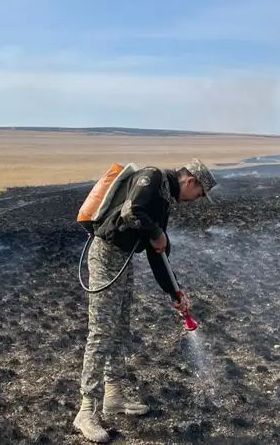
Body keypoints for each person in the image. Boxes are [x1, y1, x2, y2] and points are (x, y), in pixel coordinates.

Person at [73, 158, 218, 443]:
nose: (197, 200)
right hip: (105, 258)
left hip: (121, 263)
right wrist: (155, 232)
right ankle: (85, 410)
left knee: (119, 330)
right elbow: (131, 212)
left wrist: (175, 293)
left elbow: (157, 253)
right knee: (101, 332)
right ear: (190, 181)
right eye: (199, 193)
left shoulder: (164, 201)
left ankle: (113, 397)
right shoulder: (152, 178)